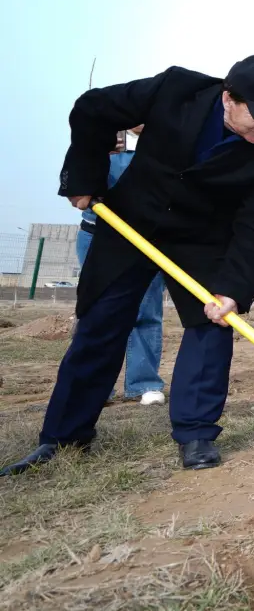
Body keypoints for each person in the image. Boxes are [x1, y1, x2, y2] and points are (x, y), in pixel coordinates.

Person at [2, 56, 254, 476]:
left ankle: (196, 433)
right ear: (228, 98)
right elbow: (93, 108)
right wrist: (86, 177)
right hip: (131, 220)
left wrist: (233, 288)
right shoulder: (177, 89)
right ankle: (63, 435)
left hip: (202, 239)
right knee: (100, 322)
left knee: (213, 324)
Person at [77, 126, 166, 405]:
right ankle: (92, 386)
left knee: (147, 312)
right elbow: (78, 185)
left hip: (147, 242)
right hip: (99, 236)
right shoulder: (102, 138)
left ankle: (143, 383)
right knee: (96, 312)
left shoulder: (168, 141)